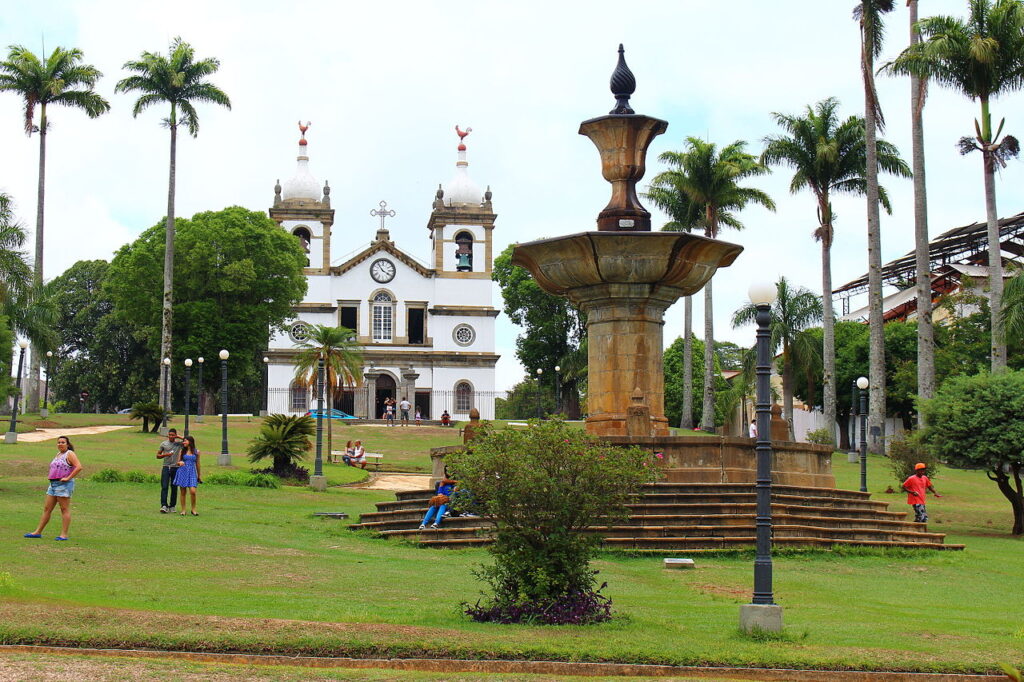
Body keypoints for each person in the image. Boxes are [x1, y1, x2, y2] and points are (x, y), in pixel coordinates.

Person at [24, 436, 83, 541]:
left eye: (63, 442)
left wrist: (68, 478)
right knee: (47, 509)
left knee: (64, 509)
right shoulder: (58, 454)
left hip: (63, 484)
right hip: (53, 484)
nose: (60, 444)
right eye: (59, 442)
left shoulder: (70, 454)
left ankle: (64, 535)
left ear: (67, 444)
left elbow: (79, 467)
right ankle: (37, 532)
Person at [173, 435, 202, 516]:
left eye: (185, 441)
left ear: (190, 442)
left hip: (192, 472)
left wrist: (199, 475)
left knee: (193, 491)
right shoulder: (182, 451)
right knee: (183, 492)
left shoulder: (197, 452)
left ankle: (193, 509)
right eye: (183, 441)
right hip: (183, 472)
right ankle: (183, 510)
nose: (184, 442)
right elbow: (177, 462)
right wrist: (180, 463)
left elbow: (198, 464)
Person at [157, 428, 183, 513]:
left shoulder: (178, 444)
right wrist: (166, 454)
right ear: (168, 435)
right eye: (170, 435)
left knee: (174, 487)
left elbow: (188, 440)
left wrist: (179, 436)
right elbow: (157, 455)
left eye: (173, 435)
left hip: (175, 467)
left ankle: (172, 506)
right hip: (166, 466)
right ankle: (164, 505)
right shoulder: (164, 444)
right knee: (164, 486)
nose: (171, 436)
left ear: (175, 435)